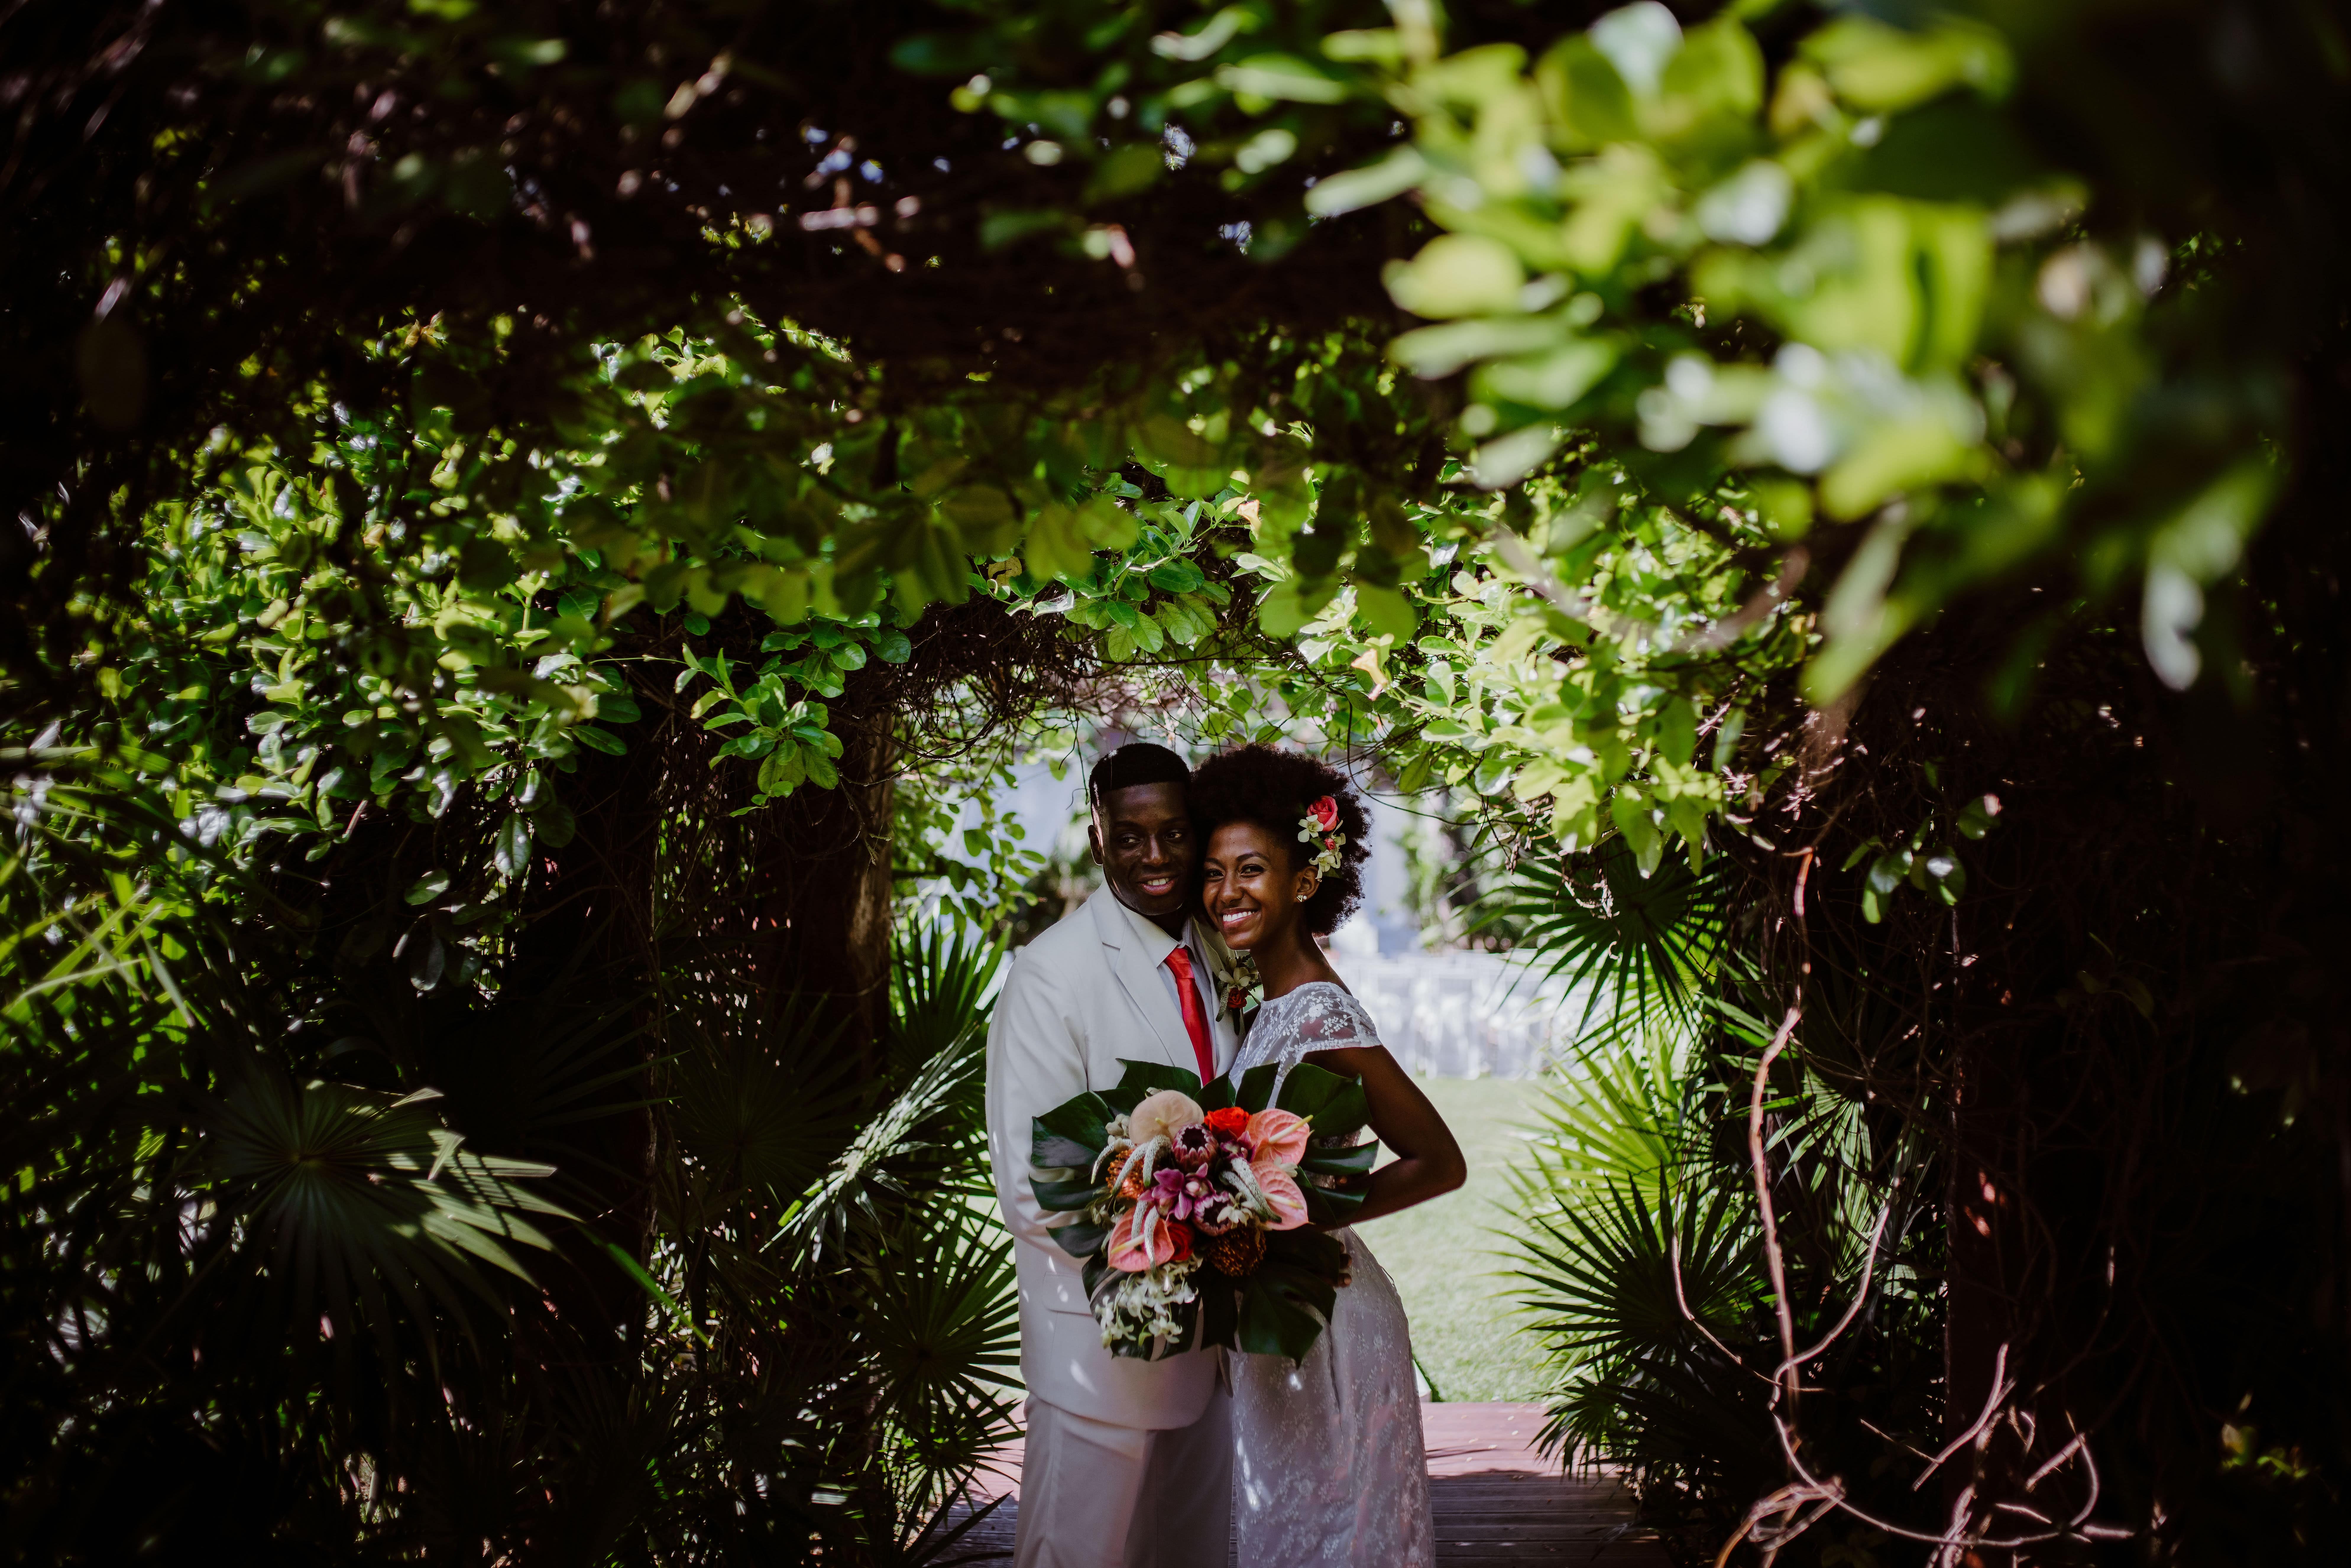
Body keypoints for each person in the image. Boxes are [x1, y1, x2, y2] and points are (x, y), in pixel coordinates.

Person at [1189, 745, 1466, 1568]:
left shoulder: (1316, 1011)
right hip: (1287, 1312)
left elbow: (1439, 1159)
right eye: (1213, 871)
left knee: (1332, 1538)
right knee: (1291, 1533)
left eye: (1251, 870)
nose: (1226, 892)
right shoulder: (1266, 1000)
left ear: (1305, 882)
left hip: (1333, 1319)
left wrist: (1302, 1220)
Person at [984, 742, 1241, 1568]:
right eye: (1130, 837)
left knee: (1191, 1554)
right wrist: (1199, 1227)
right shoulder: (1051, 976)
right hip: (1098, 1347)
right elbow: (1035, 1192)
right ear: (1098, 840)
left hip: (1217, 1349)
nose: (1156, 856)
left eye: (1173, 832)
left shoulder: (1220, 951)